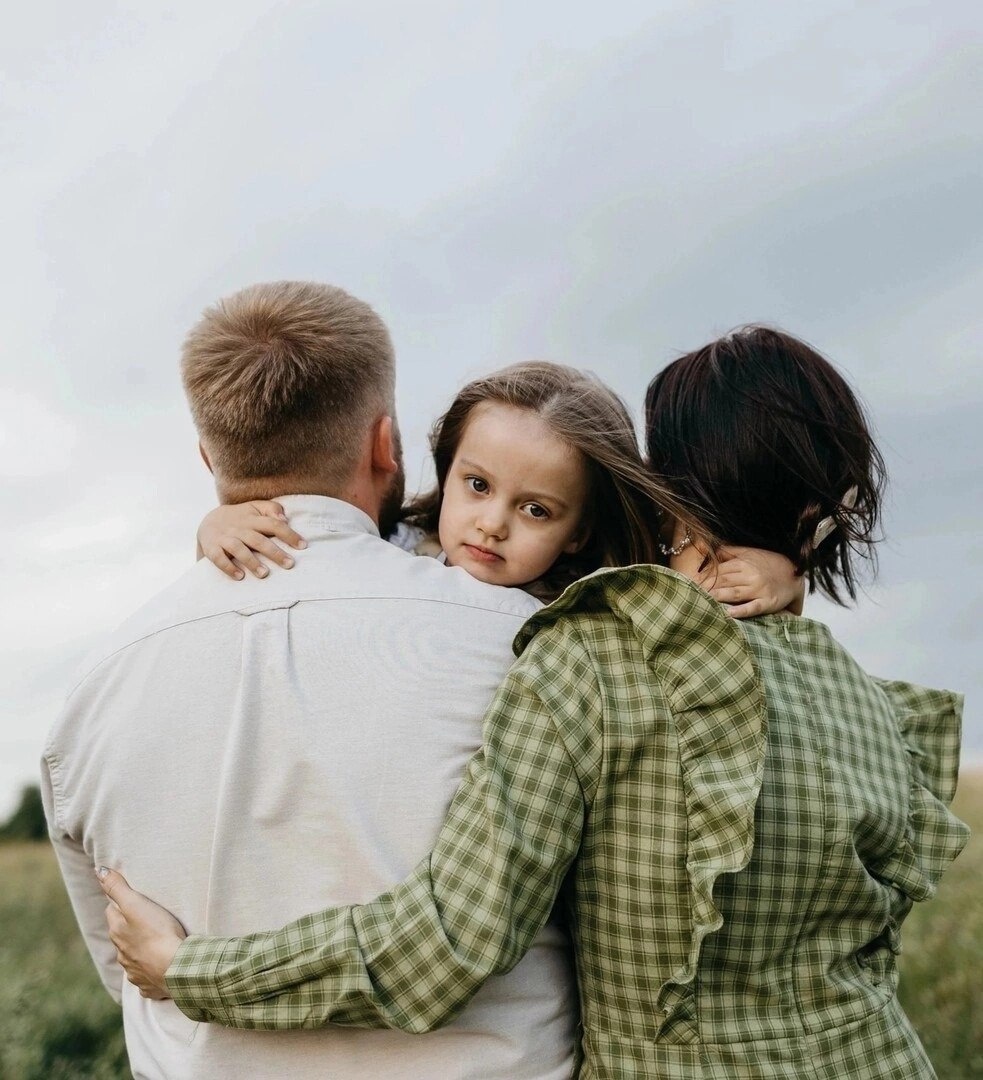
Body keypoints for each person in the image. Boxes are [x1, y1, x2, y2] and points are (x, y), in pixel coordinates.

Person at [102, 326, 969, 1079]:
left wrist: (194, 971)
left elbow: (451, 937)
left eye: (536, 508)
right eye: (475, 488)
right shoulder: (870, 707)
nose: (490, 525)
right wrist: (225, 518)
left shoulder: (590, 653)